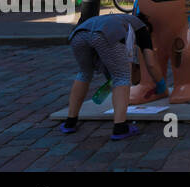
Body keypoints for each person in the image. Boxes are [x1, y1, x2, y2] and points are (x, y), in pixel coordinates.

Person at [62, 11, 166, 140]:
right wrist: (161, 84)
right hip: (104, 34)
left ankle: (70, 122)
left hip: (79, 34)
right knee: (122, 77)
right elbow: (150, 63)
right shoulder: (142, 28)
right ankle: (120, 127)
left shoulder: (120, 20)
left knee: (84, 73)